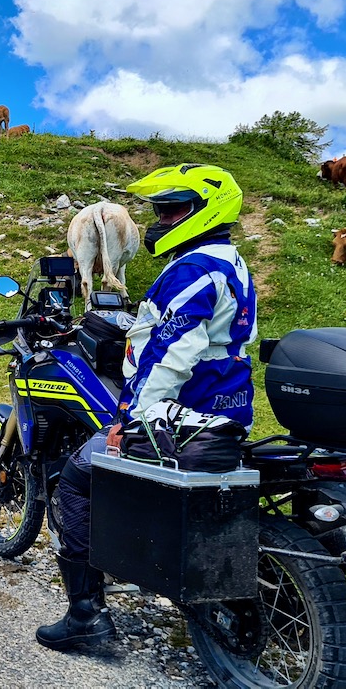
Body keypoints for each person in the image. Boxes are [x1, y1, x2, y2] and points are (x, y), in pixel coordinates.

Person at [36, 163, 259, 651]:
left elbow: (166, 354)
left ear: (205, 211)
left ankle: (85, 618)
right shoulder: (232, 263)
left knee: (76, 484)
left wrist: (127, 418)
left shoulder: (193, 270)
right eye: (158, 209)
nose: (160, 220)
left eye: (173, 208)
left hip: (183, 418)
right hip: (228, 410)